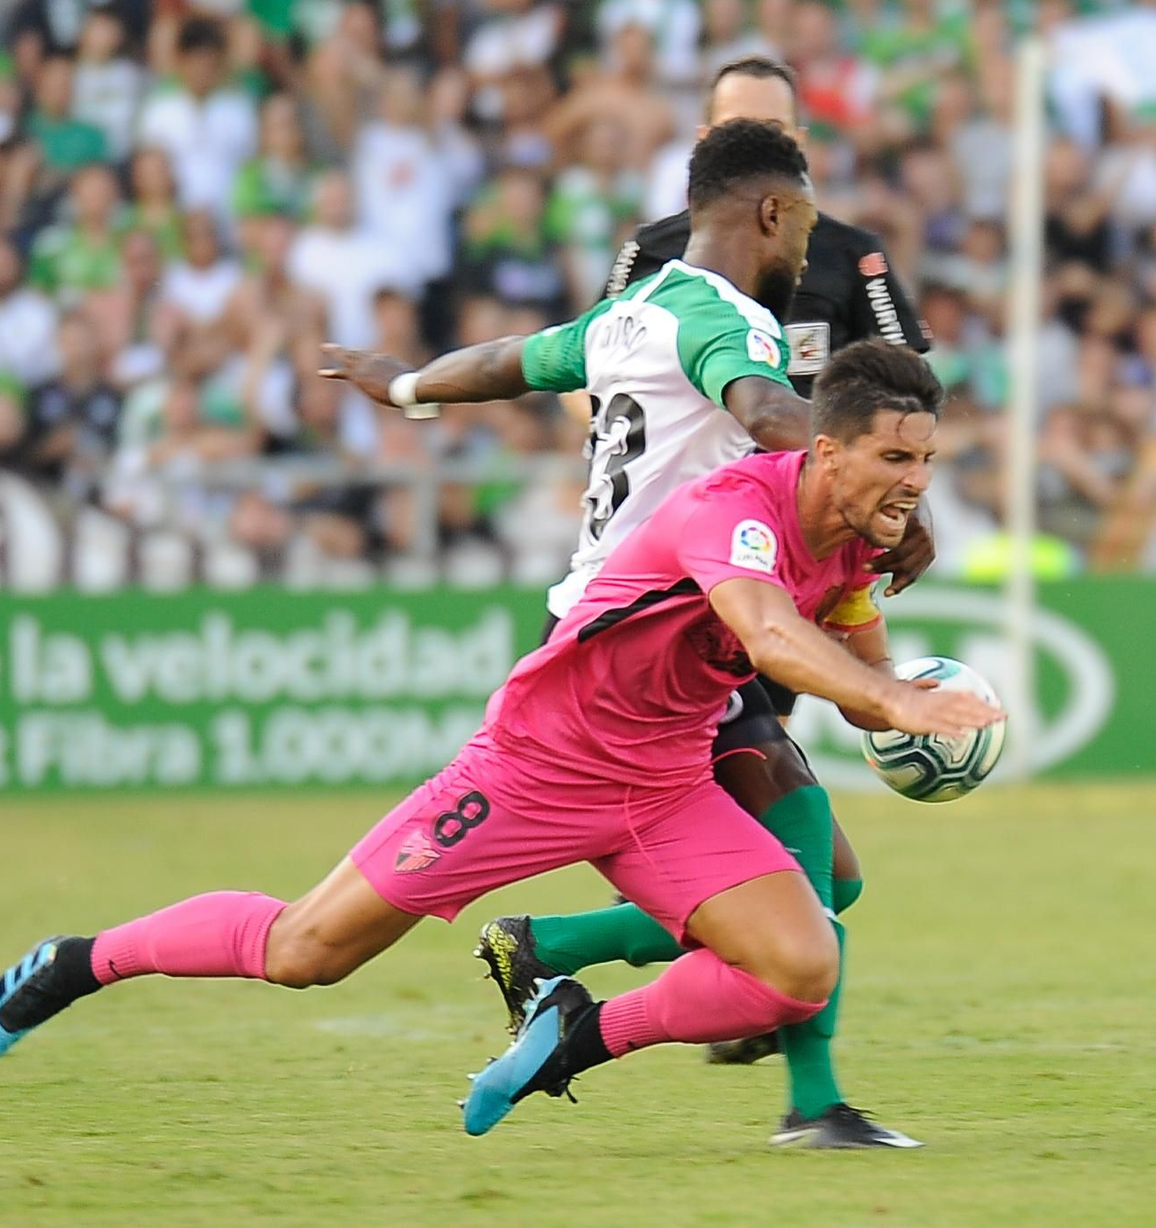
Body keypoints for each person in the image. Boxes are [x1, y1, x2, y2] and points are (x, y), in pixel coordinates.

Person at [0, 342, 1000, 1146]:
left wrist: (916, 696)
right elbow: (770, 633)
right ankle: (76, 963)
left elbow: (863, 688)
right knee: (306, 949)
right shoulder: (735, 507)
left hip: (667, 784)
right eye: (893, 457)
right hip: (534, 768)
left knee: (799, 964)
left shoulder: (857, 546)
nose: (912, 479)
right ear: (825, 449)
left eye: (924, 459)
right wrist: (891, 698)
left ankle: (578, 1032)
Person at [324, 116, 931, 1146]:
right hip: (669, 627)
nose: (801, 251)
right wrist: (885, 496)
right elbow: (767, 409)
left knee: (827, 876)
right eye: (800, 226)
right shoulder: (731, 320)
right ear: (772, 212)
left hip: (656, 613)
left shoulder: (627, 312)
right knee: (801, 871)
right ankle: (810, 1104)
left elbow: (512, 359)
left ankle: (545, 944)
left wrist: (408, 384)